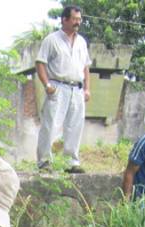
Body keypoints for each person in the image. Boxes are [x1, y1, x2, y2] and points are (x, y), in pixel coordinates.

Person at [35, 4, 92, 174]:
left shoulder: (81, 41)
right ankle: (45, 162)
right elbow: (40, 63)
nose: (77, 23)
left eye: (79, 19)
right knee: (51, 124)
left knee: (75, 126)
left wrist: (87, 89)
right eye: (74, 19)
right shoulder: (51, 40)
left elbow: (86, 67)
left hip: (77, 88)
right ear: (64, 19)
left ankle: (71, 162)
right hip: (58, 86)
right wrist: (47, 85)